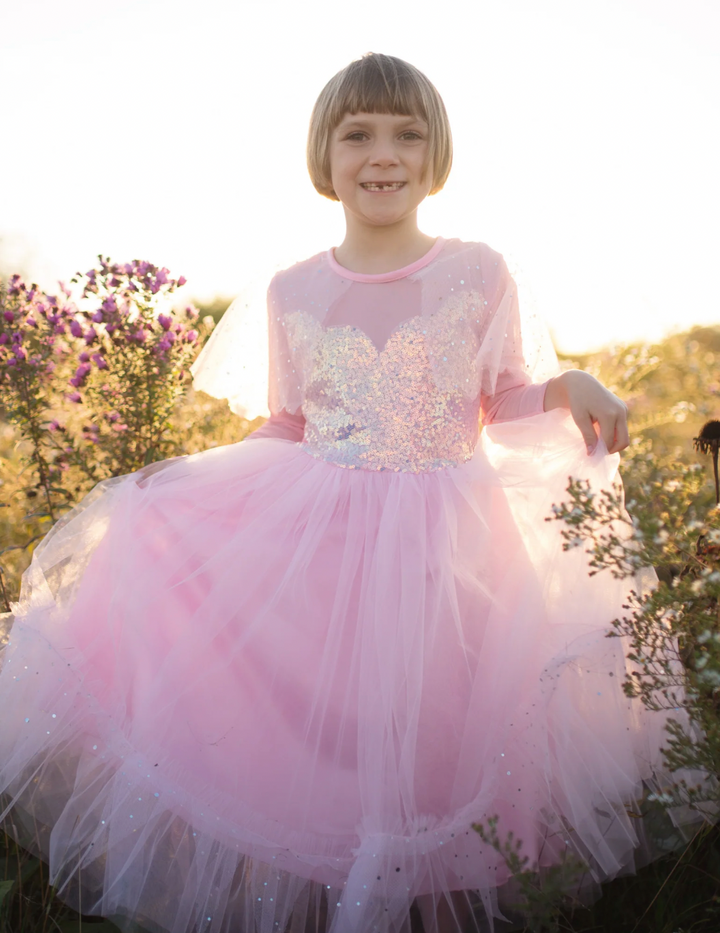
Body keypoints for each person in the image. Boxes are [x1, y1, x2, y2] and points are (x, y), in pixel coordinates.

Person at [0, 53, 707, 933]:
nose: (384, 153)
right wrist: (173, 491)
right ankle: (340, 890)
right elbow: (287, 428)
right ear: (324, 153)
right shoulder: (294, 289)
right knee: (335, 741)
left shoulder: (479, 270)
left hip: (450, 538)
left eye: (407, 134)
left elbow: (505, 399)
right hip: (323, 541)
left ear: (435, 154)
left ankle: (426, 898)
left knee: (440, 733)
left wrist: (575, 387)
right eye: (359, 133)